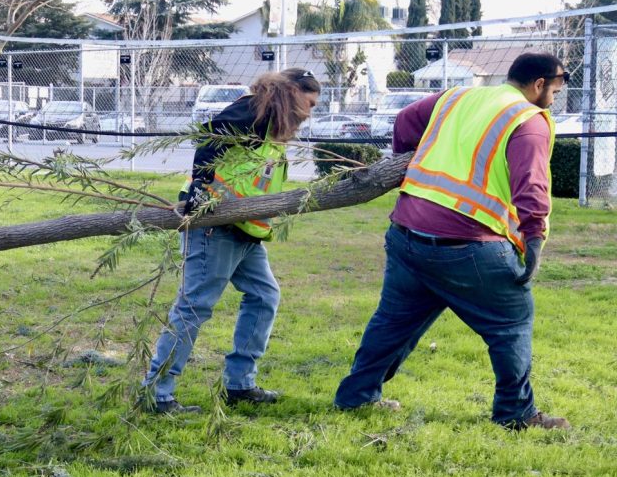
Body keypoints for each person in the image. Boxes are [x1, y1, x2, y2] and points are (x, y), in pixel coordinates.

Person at [334, 52, 569, 430]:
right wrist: (535, 241)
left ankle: (356, 396)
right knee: (510, 322)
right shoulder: (529, 121)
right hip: (468, 244)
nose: (555, 99)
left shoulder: (458, 97)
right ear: (539, 84)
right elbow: (532, 185)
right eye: (555, 90)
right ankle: (516, 414)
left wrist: (408, 160)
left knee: (393, 322)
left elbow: (406, 120)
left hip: (407, 235)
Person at [143, 67, 322, 414]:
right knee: (194, 306)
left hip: (245, 228)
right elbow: (211, 139)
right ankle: (157, 394)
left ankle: (239, 384)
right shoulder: (253, 110)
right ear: (293, 92)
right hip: (215, 223)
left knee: (263, 295)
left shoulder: (272, 124)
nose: (310, 112)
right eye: (310, 102)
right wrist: (201, 189)